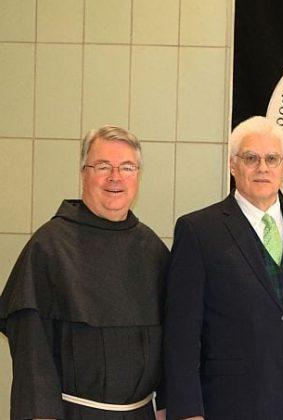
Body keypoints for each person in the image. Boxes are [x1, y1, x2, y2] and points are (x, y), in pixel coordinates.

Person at [163, 116, 283, 420]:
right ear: (232, 165)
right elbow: (182, 332)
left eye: (272, 159)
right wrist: (187, 410)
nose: (262, 168)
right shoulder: (198, 230)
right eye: (250, 158)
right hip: (231, 405)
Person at [0, 126, 169, 419]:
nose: (115, 177)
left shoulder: (152, 248)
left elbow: (174, 342)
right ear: (83, 173)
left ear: (138, 176)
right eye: (103, 166)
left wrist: (168, 406)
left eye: (127, 167)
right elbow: (31, 349)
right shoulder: (49, 246)